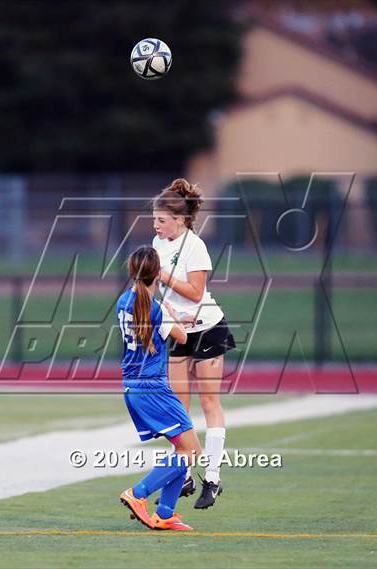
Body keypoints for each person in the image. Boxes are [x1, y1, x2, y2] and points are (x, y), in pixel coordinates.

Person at [152, 178, 236, 509]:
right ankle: (183, 473)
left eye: (161, 220)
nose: (156, 225)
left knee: (209, 402)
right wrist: (168, 312)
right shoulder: (157, 244)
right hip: (178, 330)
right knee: (177, 408)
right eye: (154, 220)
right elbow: (165, 294)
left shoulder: (194, 247)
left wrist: (162, 275)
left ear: (180, 219)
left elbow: (196, 293)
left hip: (208, 328)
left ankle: (212, 478)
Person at [117, 245, 202, 531]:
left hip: (133, 386)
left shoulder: (123, 301)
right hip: (153, 388)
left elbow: (157, 326)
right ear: (158, 275)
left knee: (182, 448)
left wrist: (168, 316)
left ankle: (165, 513)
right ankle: (138, 494)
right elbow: (181, 337)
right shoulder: (154, 308)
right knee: (191, 451)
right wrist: (172, 314)